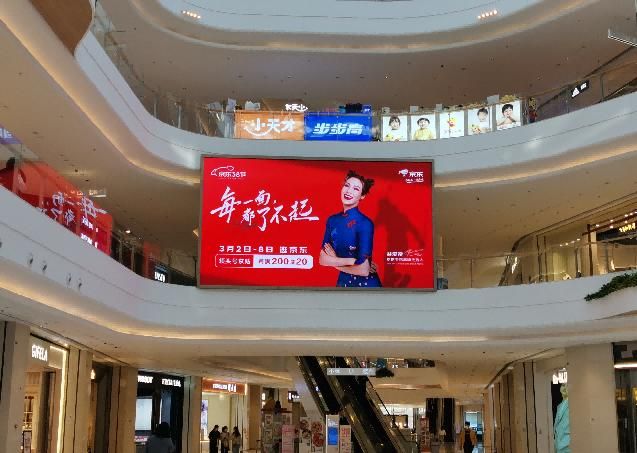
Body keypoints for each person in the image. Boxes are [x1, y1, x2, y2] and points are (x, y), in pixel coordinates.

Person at [319, 170, 382, 287]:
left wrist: (334, 260)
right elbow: (322, 259)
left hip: (367, 287)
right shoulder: (332, 220)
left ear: (362, 196)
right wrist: (352, 261)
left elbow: (363, 270)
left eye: (356, 189)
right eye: (347, 185)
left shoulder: (365, 223)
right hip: (342, 284)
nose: (349, 191)